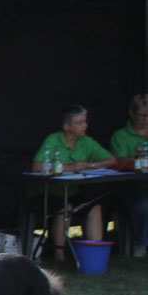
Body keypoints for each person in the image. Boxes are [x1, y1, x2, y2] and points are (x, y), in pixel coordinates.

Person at [31, 105, 115, 260]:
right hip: (48, 192)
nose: (85, 126)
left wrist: (91, 165)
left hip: (73, 191)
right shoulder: (53, 140)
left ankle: (94, 256)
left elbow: (111, 160)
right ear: (66, 126)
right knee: (65, 207)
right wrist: (70, 167)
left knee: (93, 206)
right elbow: (37, 167)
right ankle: (59, 255)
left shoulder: (85, 141)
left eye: (85, 122)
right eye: (79, 122)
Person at [110, 94, 148, 257]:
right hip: (131, 186)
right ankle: (142, 245)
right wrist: (138, 158)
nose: (146, 119)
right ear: (132, 113)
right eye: (142, 115)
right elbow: (117, 160)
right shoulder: (120, 136)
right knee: (144, 206)